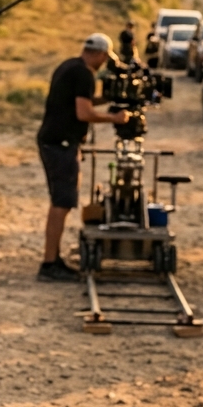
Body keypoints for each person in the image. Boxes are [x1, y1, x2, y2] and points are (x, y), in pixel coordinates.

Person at [36, 33, 132, 282]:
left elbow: (81, 102)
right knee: (62, 203)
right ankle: (49, 264)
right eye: (105, 58)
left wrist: (109, 98)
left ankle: (52, 259)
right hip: (61, 144)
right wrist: (114, 118)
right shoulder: (84, 74)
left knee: (61, 202)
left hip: (54, 140)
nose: (104, 63)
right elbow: (83, 112)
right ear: (100, 54)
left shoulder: (69, 66)